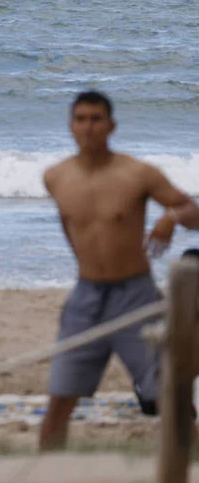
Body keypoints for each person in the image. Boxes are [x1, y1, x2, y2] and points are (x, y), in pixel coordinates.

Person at [38, 90, 199, 451]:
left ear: (111, 126)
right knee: (60, 401)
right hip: (86, 298)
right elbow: (71, 228)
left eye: (96, 119)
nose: (88, 127)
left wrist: (170, 218)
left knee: (171, 399)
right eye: (81, 119)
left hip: (136, 296)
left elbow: (192, 210)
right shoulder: (56, 177)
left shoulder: (138, 174)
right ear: (70, 126)